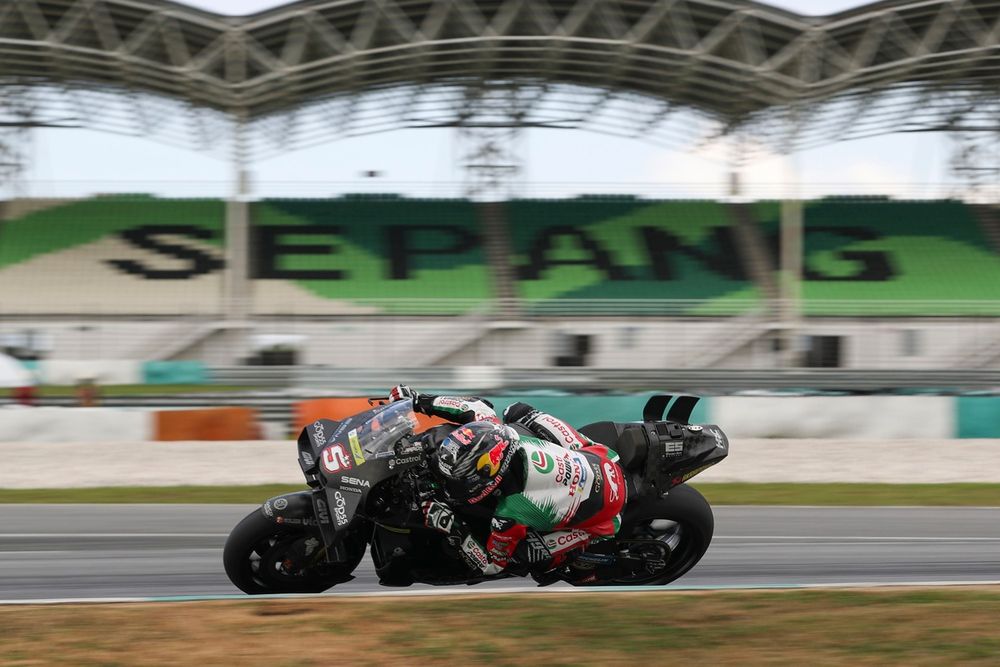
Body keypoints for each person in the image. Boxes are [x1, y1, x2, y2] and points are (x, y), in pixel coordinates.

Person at [387, 385, 627, 583]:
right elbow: (473, 406)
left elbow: (491, 565)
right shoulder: (496, 433)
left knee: (528, 558)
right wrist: (416, 400)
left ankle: (581, 559)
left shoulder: (510, 513)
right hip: (601, 457)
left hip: (606, 517)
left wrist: (451, 525)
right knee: (518, 411)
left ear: (489, 475)